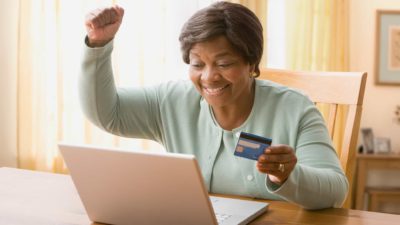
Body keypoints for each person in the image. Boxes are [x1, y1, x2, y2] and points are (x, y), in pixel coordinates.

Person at [80, 2, 348, 209]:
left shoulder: (295, 109)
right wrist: (98, 44)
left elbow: (335, 190)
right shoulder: (171, 101)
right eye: (197, 64)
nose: (209, 77)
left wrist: (288, 176)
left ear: (252, 63)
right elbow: (107, 113)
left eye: (224, 64)